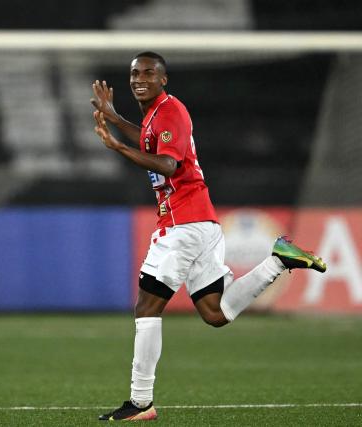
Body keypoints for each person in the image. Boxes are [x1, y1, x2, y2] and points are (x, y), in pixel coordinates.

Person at [90, 51, 327, 422]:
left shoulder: (169, 111)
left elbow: (168, 164)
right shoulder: (155, 117)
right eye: (134, 73)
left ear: (163, 79)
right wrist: (115, 117)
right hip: (200, 224)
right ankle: (278, 259)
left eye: (149, 73)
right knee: (216, 313)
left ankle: (140, 401)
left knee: (146, 307)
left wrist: (118, 147)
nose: (139, 78)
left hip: (183, 225)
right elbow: (151, 142)